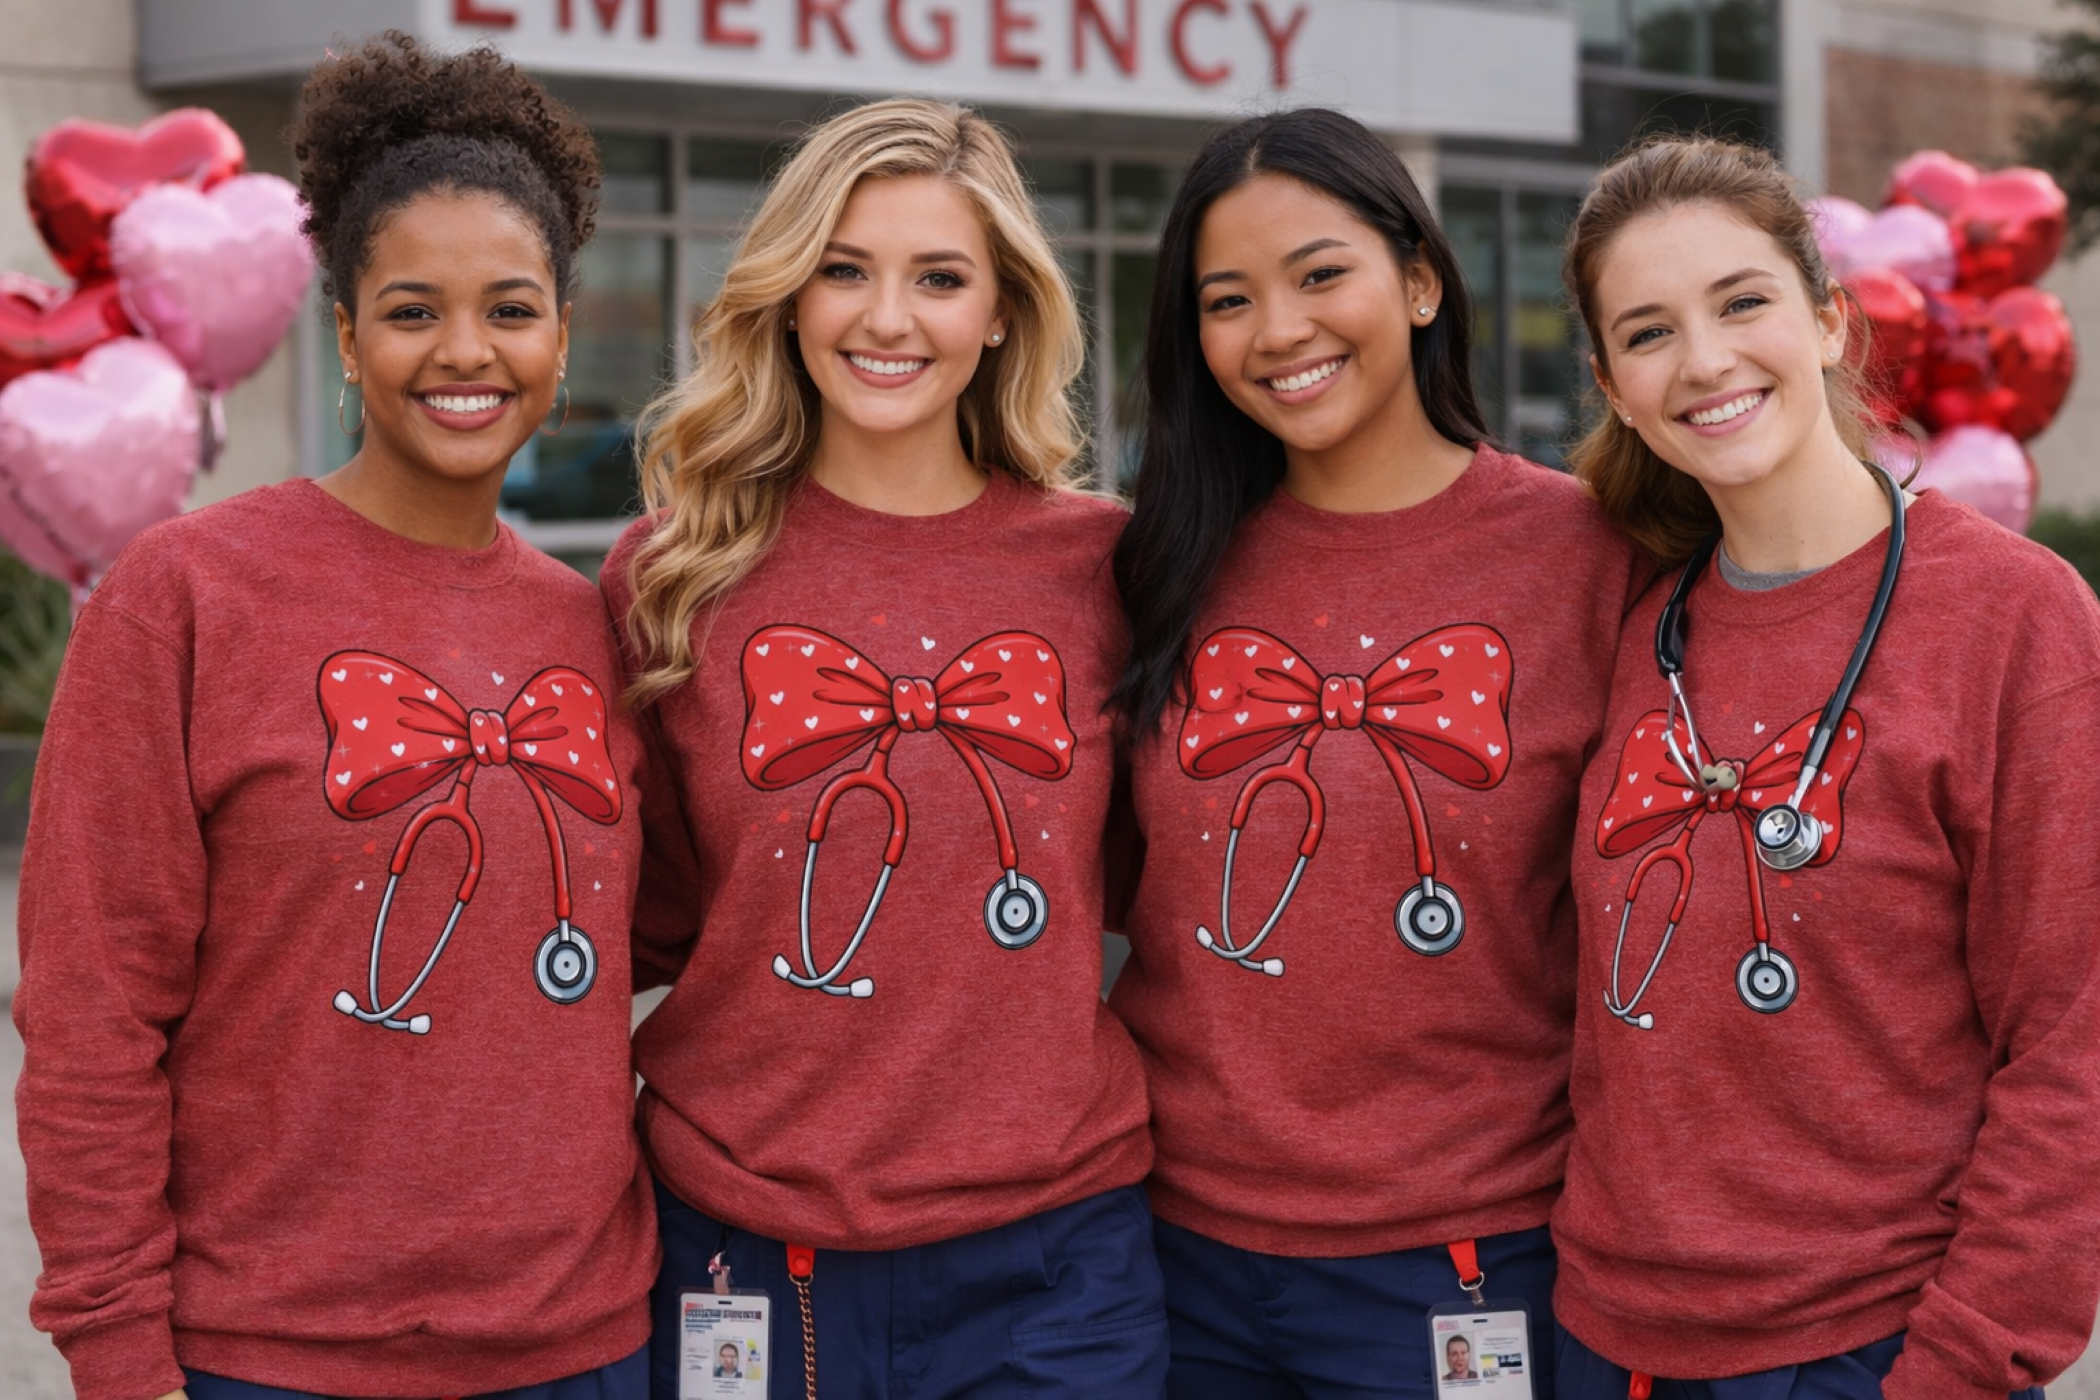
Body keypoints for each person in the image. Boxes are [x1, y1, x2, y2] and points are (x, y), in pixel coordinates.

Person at [12, 32, 657, 1400]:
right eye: (415, 310)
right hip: (269, 1359)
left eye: (512, 309)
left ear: (557, 334)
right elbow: (90, 1017)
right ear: (348, 336)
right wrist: (120, 1352)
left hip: (587, 1346)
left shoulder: (598, 625)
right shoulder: (184, 595)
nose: (465, 352)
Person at [603, 98, 1166, 1400]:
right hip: (744, 1246)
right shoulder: (671, 579)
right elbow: (635, 908)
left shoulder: (1108, 568)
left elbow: (1161, 881)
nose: (887, 319)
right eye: (845, 270)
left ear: (1004, 310)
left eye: (939, 278)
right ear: (790, 297)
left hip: (1056, 1262)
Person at [1551, 134, 2100, 1400]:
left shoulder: (2015, 619)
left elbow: (2070, 1045)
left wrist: (1960, 1366)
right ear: (1611, 382)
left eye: (1742, 302)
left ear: (1833, 322)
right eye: (1648, 332)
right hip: (1601, 1335)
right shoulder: (1635, 625)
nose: (1704, 360)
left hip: (1862, 1349)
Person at [1107, 107, 1645, 1400]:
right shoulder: (1155, 564)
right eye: (1225, 299)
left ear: (1418, 280)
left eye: (1319, 273)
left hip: (1469, 1262)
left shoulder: (1590, 556)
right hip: (1172, 1257)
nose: (1277, 331)